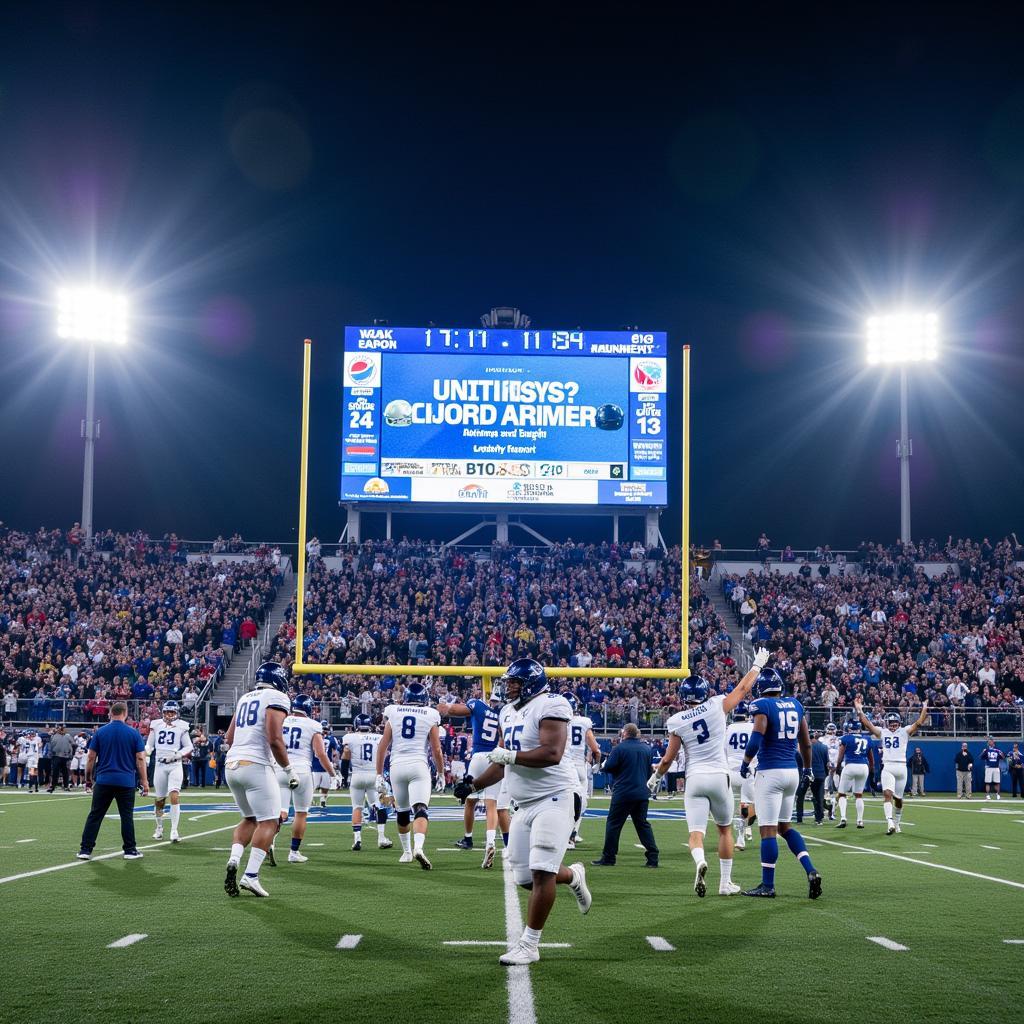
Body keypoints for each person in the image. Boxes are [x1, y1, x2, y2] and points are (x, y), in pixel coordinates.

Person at [454, 658, 591, 967]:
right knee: (526, 877)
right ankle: (572, 876)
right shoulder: (506, 712)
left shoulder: (552, 703)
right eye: (509, 682)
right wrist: (473, 785)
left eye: (514, 682)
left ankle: (529, 945)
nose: (509, 687)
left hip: (555, 796)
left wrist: (510, 755)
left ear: (531, 682)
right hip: (524, 803)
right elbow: (502, 762)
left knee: (542, 871)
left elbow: (552, 754)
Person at [649, 649, 767, 896]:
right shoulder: (716, 706)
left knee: (696, 833)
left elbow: (669, 759)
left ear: (683, 696)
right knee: (724, 830)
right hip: (719, 776)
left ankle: (700, 861)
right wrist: (756, 665)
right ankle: (725, 883)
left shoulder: (678, 720)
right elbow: (743, 690)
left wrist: (656, 777)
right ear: (705, 693)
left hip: (695, 778)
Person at [738, 667, 822, 899]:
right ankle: (811, 870)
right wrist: (807, 768)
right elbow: (806, 744)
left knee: (767, 831)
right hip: (791, 773)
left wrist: (745, 762)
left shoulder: (762, 706)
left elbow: (756, 739)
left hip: (770, 773)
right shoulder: (795, 704)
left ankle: (768, 885)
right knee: (785, 827)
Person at [222, 662, 299, 898]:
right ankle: (251, 876)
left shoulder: (245, 697)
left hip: (232, 765)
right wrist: (288, 770)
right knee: (270, 822)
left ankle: (234, 859)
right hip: (255, 764)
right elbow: (275, 739)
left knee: (249, 819)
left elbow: (228, 737)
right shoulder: (276, 696)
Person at [376, 681, 444, 869]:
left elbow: (383, 746)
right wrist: (440, 772)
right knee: (421, 808)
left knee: (402, 811)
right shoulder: (431, 714)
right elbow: (436, 749)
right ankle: (418, 848)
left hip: (397, 766)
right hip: (418, 765)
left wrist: (379, 774)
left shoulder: (394, 711)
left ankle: (406, 852)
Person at [439, 686, 506, 867]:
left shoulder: (477, 705)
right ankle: (491, 842)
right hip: (495, 758)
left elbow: (454, 710)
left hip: (477, 757)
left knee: (470, 800)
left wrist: (443, 706)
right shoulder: (505, 714)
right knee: (492, 803)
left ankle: (468, 838)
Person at [77, 702, 148, 860]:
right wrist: (144, 781)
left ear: (110, 713)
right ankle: (130, 850)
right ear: (125, 713)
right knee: (126, 816)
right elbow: (140, 758)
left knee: (95, 815)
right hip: (126, 781)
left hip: (104, 780)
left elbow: (91, 757)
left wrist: (88, 779)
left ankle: (85, 850)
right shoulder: (133, 733)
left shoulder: (100, 732)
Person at [273, 694, 334, 863]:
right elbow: (320, 754)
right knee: (301, 812)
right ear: (309, 708)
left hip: (280, 768)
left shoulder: (282, 720)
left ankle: (270, 843)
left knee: (281, 812)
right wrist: (333, 774)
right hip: (301, 770)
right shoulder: (313, 725)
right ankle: (293, 852)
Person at [591, 723, 659, 868]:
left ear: (625, 733)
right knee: (642, 825)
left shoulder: (619, 748)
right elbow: (649, 771)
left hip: (623, 792)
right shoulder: (647, 748)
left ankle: (609, 857)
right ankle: (653, 857)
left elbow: (608, 767)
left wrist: (604, 765)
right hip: (642, 792)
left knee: (614, 824)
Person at [856, 699, 928, 834]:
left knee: (899, 800)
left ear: (899, 724)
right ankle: (889, 822)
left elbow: (919, 723)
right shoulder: (883, 732)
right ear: (887, 723)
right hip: (888, 766)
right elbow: (868, 725)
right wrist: (859, 710)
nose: (893, 726)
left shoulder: (905, 731)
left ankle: (897, 822)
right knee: (887, 794)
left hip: (901, 767)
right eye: (891, 723)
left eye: (895, 724)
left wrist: (924, 708)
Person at [145, 700, 194, 842]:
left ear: (177, 713)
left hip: (175, 764)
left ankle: (174, 830)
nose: (169, 714)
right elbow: (149, 744)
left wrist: (177, 755)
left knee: (174, 795)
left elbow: (188, 746)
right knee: (159, 799)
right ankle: (159, 827)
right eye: (167, 712)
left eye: (172, 712)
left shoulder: (181, 727)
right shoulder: (156, 725)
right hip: (160, 765)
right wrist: (146, 752)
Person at [342, 713, 392, 850]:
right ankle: (381, 838)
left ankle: (357, 839)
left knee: (357, 807)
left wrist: (344, 777)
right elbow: (385, 756)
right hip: (373, 775)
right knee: (379, 806)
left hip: (357, 776)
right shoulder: (379, 737)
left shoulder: (349, 737)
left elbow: (345, 757)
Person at [565, 693, 601, 849]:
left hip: (563, 765)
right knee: (581, 802)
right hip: (579, 766)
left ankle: (565, 834)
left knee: (563, 802)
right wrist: (597, 764)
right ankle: (572, 835)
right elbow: (595, 749)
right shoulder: (584, 722)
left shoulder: (556, 720)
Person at [724, 700, 756, 849]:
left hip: (730, 771)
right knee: (747, 805)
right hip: (747, 771)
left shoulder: (728, 728)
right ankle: (741, 837)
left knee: (728, 805)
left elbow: (723, 751)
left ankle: (729, 836)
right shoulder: (752, 727)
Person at [835, 721, 873, 828]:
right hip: (864, 767)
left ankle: (843, 818)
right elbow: (871, 758)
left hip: (850, 765)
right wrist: (872, 770)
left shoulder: (845, 738)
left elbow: (841, 755)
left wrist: (837, 767)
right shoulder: (867, 738)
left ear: (849, 729)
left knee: (842, 794)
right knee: (859, 795)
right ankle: (860, 820)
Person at [796, 731, 829, 825]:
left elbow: (799, 761)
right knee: (818, 797)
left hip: (807, 774)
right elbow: (826, 762)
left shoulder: (804, 746)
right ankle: (819, 819)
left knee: (800, 796)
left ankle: (799, 818)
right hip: (820, 774)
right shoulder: (824, 747)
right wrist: (824, 775)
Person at [311, 721, 337, 811]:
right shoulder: (316, 737)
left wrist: (333, 762)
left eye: (326, 729)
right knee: (313, 786)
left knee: (325, 786)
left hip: (321, 765)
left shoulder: (330, 739)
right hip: (317, 765)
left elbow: (334, 752)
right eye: (324, 729)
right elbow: (334, 753)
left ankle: (322, 801)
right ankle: (311, 800)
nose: (325, 731)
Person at [47, 725, 74, 792]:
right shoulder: (54, 736)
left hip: (65, 756)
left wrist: (70, 753)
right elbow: (50, 745)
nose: (61, 730)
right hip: (56, 756)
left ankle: (66, 786)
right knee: (55, 772)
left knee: (65, 772)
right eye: (60, 729)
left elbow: (73, 744)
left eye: (63, 729)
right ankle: (53, 786)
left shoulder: (68, 736)